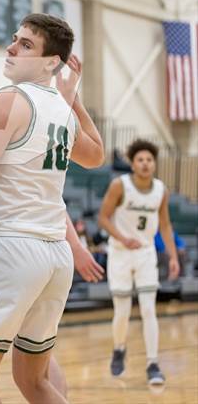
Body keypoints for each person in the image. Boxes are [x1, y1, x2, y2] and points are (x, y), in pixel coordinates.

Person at [0, 13, 105, 404]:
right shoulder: (62, 109)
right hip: (55, 259)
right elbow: (96, 154)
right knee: (36, 383)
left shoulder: (9, 98)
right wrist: (73, 99)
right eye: (14, 39)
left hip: (10, 252)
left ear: (51, 62)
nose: (11, 47)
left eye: (25, 44)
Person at [0, 116, 104, 400]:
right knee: (34, 371)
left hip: (16, 262)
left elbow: (52, 204)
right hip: (48, 263)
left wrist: (78, 247)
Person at [98, 139, 179, 384]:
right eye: (140, 160)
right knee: (122, 311)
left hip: (145, 253)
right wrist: (123, 238)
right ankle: (119, 348)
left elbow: (165, 225)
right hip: (120, 252)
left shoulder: (161, 190)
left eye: (149, 160)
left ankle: (153, 364)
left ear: (154, 164)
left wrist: (173, 256)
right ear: (132, 164)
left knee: (148, 309)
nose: (145, 163)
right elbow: (103, 218)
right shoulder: (119, 185)